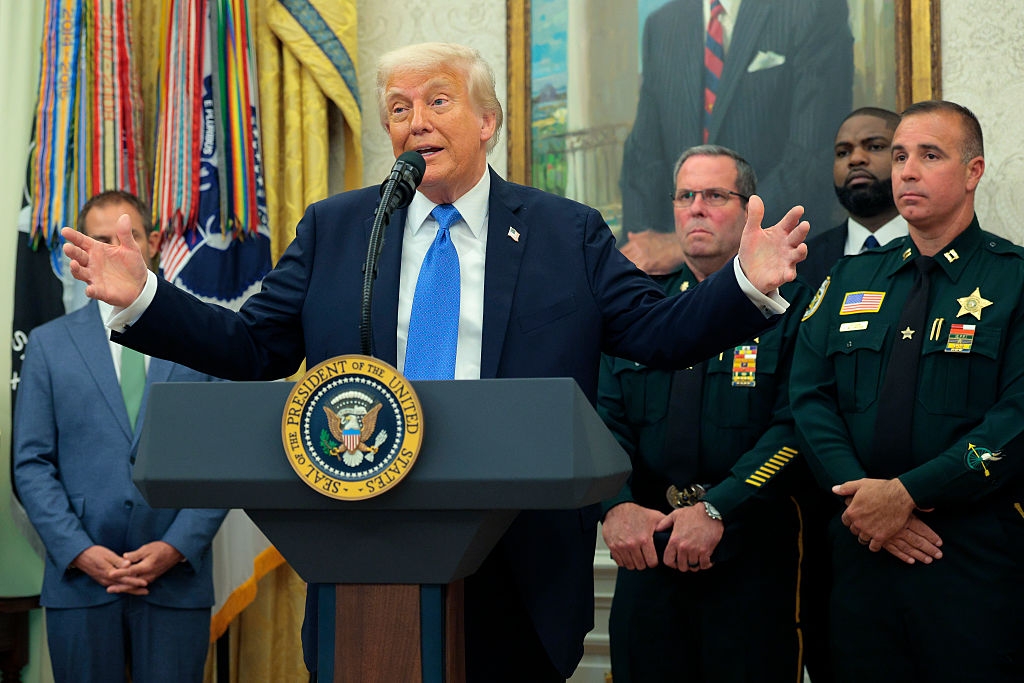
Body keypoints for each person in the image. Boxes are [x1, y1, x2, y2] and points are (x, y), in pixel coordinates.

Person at [61, 43, 809, 682]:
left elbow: (659, 334)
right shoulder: (338, 228)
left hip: (517, 550)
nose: (415, 120)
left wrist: (743, 285)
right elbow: (252, 344)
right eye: (397, 107)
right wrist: (147, 301)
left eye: (438, 100)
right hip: (360, 536)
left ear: (487, 121)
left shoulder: (564, 232)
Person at [790, 100, 1024, 682]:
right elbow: (809, 397)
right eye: (899, 156)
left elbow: (1016, 418)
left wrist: (907, 494)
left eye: (929, 155)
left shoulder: (1013, 279)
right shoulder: (848, 278)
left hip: (968, 557)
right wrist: (866, 501)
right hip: (857, 551)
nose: (906, 171)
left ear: (973, 173)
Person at [600, 145, 811, 682]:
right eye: (686, 196)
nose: (697, 208)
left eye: (715, 195)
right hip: (646, 549)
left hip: (748, 551)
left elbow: (796, 425)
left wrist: (718, 508)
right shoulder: (640, 312)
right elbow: (601, 418)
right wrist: (613, 506)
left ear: (747, 210)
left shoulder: (790, 309)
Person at [13, 190, 227, 683]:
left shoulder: (201, 333)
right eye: (98, 240)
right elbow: (31, 463)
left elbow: (218, 458)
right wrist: (79, 550)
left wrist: (175, 546)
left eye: (123, 238)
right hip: (80, 582)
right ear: (81, 250)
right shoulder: (48, 345)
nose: (110, 251)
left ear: (151, 243)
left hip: (176, 580)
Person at [618, 0, 852, 275]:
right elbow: (643, 160)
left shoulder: (812, 9)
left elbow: (810, 157)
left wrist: (691, 242)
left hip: (782, 267)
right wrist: (639, 254)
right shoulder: (663, 23)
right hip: (680, 279)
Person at [799, 106, 908, 288]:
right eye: (843, 152)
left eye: (875, 146)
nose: (855, 159)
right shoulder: (802, 263)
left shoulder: (937, 248)